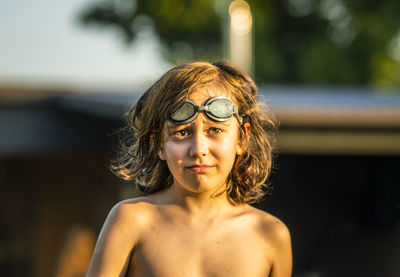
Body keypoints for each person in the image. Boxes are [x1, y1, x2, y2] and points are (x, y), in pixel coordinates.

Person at [86, 61, 292, 277]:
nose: (198, 149)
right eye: (182, 133)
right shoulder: (132, 220)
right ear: (159, 145)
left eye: (214, 130)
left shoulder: (270, 234)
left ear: (242, 138)